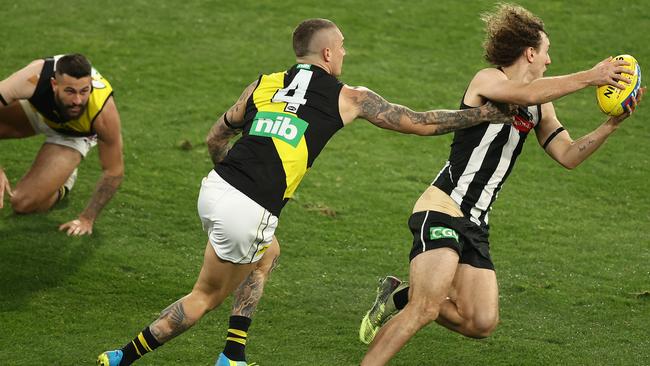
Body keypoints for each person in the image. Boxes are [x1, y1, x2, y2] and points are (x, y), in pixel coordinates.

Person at [97, 18, 516, 366]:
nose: (346, 54)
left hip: (215, 189)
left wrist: (232, 178)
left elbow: (214, 137)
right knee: (205, 296)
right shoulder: (349, 97)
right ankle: (122, 357)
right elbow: (419, 122)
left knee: (269, 253)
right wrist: (481, 113)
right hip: (250, 209)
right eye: (343, 47)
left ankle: (233, 354)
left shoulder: (264, 83)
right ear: (328, 54)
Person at [357, 4, 644, 365]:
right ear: (529, 53)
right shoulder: (487, 81)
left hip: (476, 223)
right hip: (444, 207)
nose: (549, 61)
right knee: (426, 308)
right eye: (546, 52)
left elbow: (568, 155)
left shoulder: (542, 108)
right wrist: (591, 76)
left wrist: (611, 125)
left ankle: (396, 297)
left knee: (480, 321)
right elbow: (523, 95)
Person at [0, 54, 123, 236]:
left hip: (73, 134)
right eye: (70, 91)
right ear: (54, 85)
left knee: (22, 203)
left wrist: (86, 219)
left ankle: (66, 179)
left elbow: (114, 171)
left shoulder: (102, 112)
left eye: (84, 91)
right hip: (39, 113)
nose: (78, 101)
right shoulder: (33, 78)